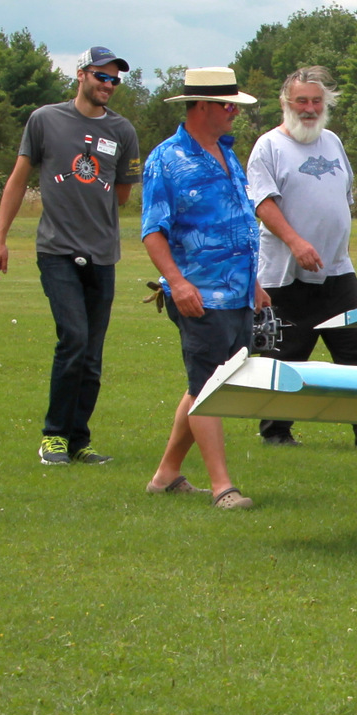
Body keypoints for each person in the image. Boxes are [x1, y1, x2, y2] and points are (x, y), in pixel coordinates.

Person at [0, 46, 140, 466]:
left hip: (103, 253)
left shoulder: (122, 131)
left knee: (91, 353)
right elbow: (18, 181)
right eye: (100, 76)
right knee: (72, 338)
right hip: (56, 249)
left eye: (114, 80)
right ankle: (53, 436)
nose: (107, 85)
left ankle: (78, 440)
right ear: (80, 75)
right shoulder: (45, 120)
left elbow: (123, 193)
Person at [245, 66, 357, 449]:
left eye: (317, 101)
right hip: (286, 273)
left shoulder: (332, 142)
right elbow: (263, 204)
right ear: (286, 103)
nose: (309, 108)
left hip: (337, 271)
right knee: (288, 354)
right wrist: (297, 242)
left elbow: (341, 199)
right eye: (301, 101)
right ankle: (276, 431)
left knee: (355, 350)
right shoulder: (268, 147)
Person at [140, 67, 269, 509]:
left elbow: (239, 226)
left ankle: (165, 475)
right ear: (201, 107)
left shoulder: (227, 154)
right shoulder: (166, 159)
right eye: (228, 105)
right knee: (211, 386)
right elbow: (153, 231)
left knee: (205, 385)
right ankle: (222, 488)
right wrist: (176, 283)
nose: (234, 113)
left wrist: (254, 284)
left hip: (237, 294)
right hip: (199, 295)